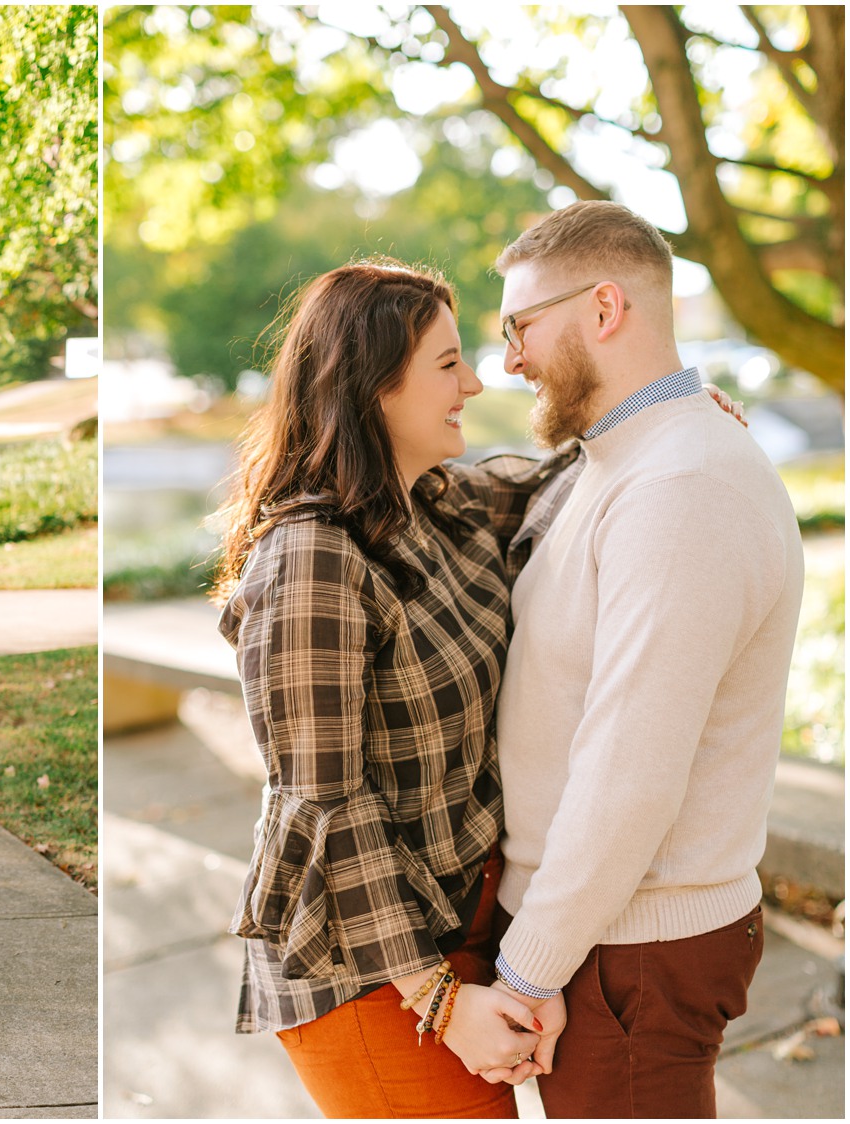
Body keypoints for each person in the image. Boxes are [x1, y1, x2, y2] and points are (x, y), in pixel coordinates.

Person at [213, 260, 572, 1118]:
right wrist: (440, 1001)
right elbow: (326, 804)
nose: (475, 382)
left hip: (460, 921)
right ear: (372, 384)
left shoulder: (435, 504)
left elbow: (561, 480)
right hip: (368, 968)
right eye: (449, 364)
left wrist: (671, 418)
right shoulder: (312, 561)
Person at [484, 200, 805, 1118]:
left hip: (629, 950)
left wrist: (529, 971)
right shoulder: (627, 460)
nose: (508, 358)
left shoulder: (682, 487)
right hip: (605, 937)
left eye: (520, 325)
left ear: (605, 307)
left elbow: (631, 772)